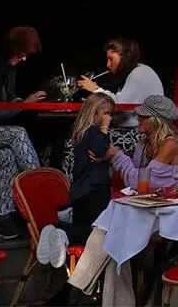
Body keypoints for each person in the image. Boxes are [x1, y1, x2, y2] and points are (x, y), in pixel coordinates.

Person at [60, 95, 178, 306]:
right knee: (112, 241)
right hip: (143, 211)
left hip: (165, 214)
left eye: (142, 117)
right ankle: (114, 300)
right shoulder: (143, 143)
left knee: (111, 233)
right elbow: (135, 178)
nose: (138, 120)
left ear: (154, 120)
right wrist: (113, 158)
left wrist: (116, 156)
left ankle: (74, 289)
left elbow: (139, 180)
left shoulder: (170, 144)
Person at [0, 26, 45, 239]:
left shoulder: (8, 71)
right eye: (21, 54)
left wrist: (19, 102)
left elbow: (3, 107)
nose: (23, 60)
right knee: (18, 133)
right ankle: (41, 192)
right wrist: (23, 106)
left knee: (8, 154)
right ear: (11, 48)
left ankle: (3, 219)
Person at [75, 38, 164, 155]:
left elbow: (119, 105)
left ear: (125, 57)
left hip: (140, 136)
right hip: (136, 131)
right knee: (85, 135)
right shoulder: (136, 72)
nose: (108, 65)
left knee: (82, 140)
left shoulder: (139, 73)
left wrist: (95, 89)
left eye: (111, 59)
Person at [66, 93, 116, 244]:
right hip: (93, 186)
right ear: (94, 112)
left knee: (83, 227)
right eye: (106, 113)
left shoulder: (84, 132)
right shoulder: (93, 131)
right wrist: (105, 128)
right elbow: (100, 149)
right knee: (94, 230)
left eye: (111, 114)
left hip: (83, 187)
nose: (109, 118)